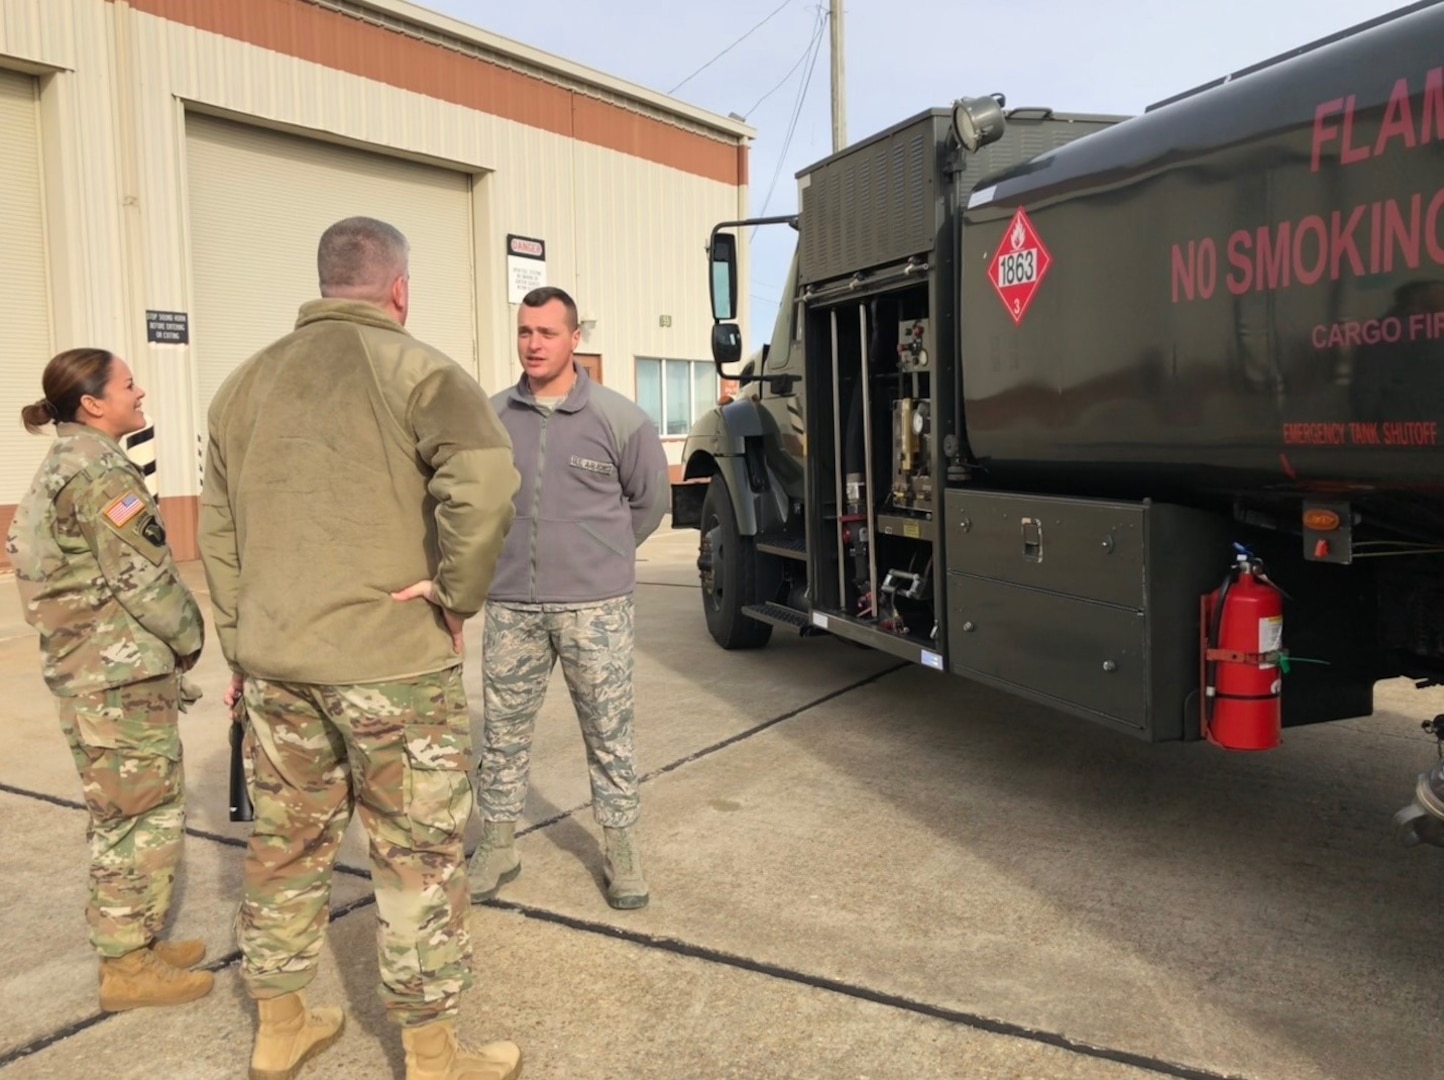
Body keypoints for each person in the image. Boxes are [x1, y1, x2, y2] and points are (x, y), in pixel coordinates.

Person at [198, 216, 522, 1080]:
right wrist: (457, 593)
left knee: (283, 846)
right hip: (393, 668)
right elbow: (486, 487)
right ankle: (431, 1054)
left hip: (277, 665)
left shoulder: (242, 385)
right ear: (399, 289)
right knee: (415, 857)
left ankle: (279, 1028)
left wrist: (243, 640)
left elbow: (218, 534)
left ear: (323, 281)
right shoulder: (419, 370)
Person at [6, 348, 212, 1012]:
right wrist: (190, 637)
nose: (140, 391)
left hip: (90, 670)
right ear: (93, 404)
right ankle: (127, 967)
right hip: (117, 676)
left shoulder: (63, 465)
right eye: (128, 385)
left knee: (123, 812)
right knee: (138, 818)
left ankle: (139, 941)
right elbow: (146, 579)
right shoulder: (99, 473)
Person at [468, 286, 668, 911]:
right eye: (525, 331)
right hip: (511, 606)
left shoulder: (619, 418)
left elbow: (650, 503)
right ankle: (498, 843)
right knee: (501, 733)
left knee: (609, 734)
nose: (533, 344)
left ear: (574, 338)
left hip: (595, 610)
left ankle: (621, 847)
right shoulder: (491, 416)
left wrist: (598, 556)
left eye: (547, 333)